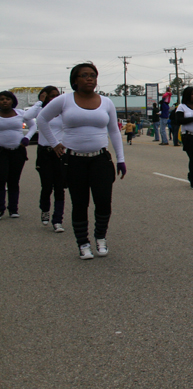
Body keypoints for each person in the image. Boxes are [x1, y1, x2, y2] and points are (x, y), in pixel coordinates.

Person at [37, 63, 126, 259]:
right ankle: (83, 243)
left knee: (103, 202)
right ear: (75, 80)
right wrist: (54, 143)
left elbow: (113, 130)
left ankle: (100, 238)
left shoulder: (106, 102)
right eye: (84, 75)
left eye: (93, 75)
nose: (89, 78)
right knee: (80, 203)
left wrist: (121, 159)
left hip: (100, 159)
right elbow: (41, 119)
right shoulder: (64, 100)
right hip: (74, 160)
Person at [24, 86, 66, 229]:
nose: (54, 98)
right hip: (45, 152)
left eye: (56, 95)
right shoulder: (41, 111)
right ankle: (45, 210)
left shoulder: (62, 111)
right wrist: (39, 103)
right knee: (47, 186)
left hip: (60, 152)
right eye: (50, 96)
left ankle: (58, 219)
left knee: (60, 187)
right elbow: (27, 116)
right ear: (45, 97)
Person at [0, 91, 31, 220]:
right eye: (1, 99)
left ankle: (13, 209)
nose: (4, 101)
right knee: (1, 179)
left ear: (12, 100)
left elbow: (33, 126)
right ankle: (0, 208)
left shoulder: (21, 114)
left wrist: (27, 138)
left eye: (7, 99)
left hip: (18, 151)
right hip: (1, 151)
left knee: (14, 180)